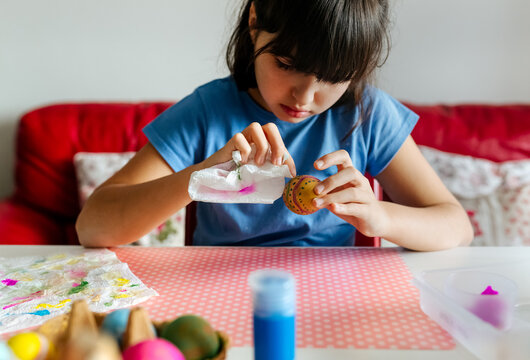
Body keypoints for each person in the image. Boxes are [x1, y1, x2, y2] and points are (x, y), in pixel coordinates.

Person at [76, 0, 473, 250]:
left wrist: (380, 217)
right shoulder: (208, 111)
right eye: (286, 65)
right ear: (254, 21)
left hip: (333, 297)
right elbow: (93, 227)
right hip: (219, 289)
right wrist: (203, 176)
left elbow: (456, 226)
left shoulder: (367, 114)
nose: (304, 97)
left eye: (333, 78)